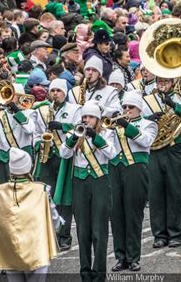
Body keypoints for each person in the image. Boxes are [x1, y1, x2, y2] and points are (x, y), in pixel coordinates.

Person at [58, 101, 116, 281]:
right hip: (80, 183)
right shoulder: (74, 132)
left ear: (97, 119)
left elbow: (112, 154)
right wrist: (74, 138)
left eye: (90, 117)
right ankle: (85, 272)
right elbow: (64, 154)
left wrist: (95, 137)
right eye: (84, 117)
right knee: (83, 231)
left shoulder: (107, 133)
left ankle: (99, 273)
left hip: (100, 182)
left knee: (99, 231)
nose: (86, 120)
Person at [142, 75, 181, 248]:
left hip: (177, 148)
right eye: (159, 81)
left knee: (175, 191)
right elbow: (138, 122)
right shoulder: (147, 100)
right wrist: (149, 119)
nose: (162, 85)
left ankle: (175, 234)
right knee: (156, 192)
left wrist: (175, 106)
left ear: (172, 82)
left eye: (166, 81)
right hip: (155, 149)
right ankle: (159, 235)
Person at [0, 147, 63, 280]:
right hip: (36, 249)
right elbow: (53, 217)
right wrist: (58, 225)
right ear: (28, 167)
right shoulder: (41, 189)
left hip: (11, 249)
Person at [109, 90, 157, 272]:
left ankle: (133, 257)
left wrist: (127, 126)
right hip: (115, 168)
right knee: (116, 214)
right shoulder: (113, 125)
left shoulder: (148, 124)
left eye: (131, 107)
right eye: (124, 106)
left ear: (139, 108)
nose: (127, 109)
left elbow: (146, 141)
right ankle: (120, 257)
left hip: (136, 169)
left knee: (133, 213)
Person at [32, 79, 81, 251]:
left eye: (58, 91)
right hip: (47, 157)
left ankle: (64, 236)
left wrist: (62, 126)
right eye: (52, 91)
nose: (55, 94)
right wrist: (40, 144)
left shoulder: (74, 109)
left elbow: (78, 129)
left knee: (63, 199)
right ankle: (48, 236)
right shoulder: (42, 110)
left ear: (65, 92)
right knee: (46, 196)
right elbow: (36, 134)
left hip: (64, 158)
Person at [0, 84, 35, 186]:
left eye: (13, 95)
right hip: (2, 157)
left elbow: (29, 129)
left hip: (21, 156)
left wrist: (17, 111)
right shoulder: (1, 114)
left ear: (20, 96)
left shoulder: (29, 113)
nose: (10, 98)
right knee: (2, 189)